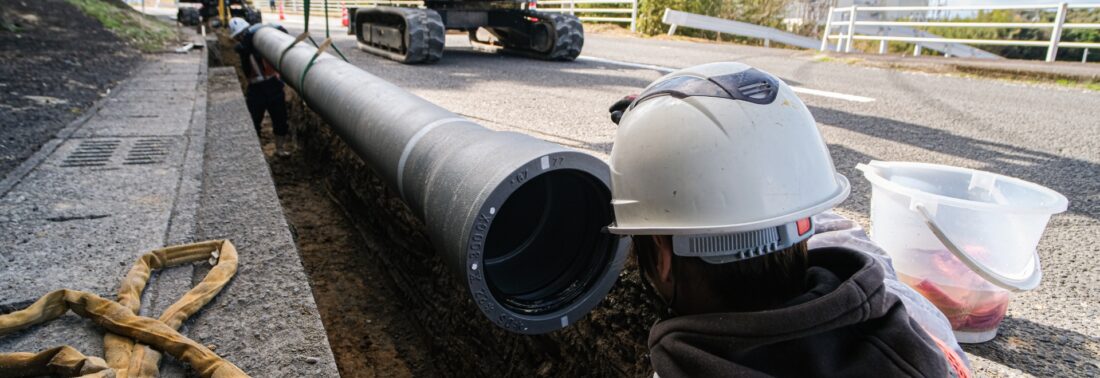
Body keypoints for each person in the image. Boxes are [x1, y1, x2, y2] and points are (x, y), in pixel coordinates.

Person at [606, 62, 971, 377]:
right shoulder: (922, 336)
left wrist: (659, 150)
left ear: (663, 258)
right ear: (801, 222)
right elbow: (834, 231)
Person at [229, 17, 292, 157]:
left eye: (242, 34)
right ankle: (256, 152)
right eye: (238, 36)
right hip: (256, 89)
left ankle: (280, 148)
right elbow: (243, 48)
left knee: (280, 118)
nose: (240, 37)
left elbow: (280, 30)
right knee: (253, 120)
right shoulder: (244, 47)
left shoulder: (257, 37)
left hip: (272, 84)